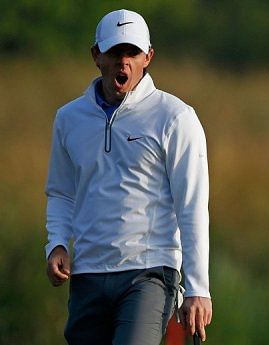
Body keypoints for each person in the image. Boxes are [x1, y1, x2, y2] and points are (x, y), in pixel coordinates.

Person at [44, 9, 212, 344]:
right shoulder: (69, 119)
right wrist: (57, 243)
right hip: (88, 273)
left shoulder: (175, 117)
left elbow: (191, 206)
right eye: (115, 53)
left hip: (149, 274)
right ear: (97, 56)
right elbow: (62, 192)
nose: (124, 63)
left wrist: (197, 288)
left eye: (132, 53)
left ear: (148, 57)